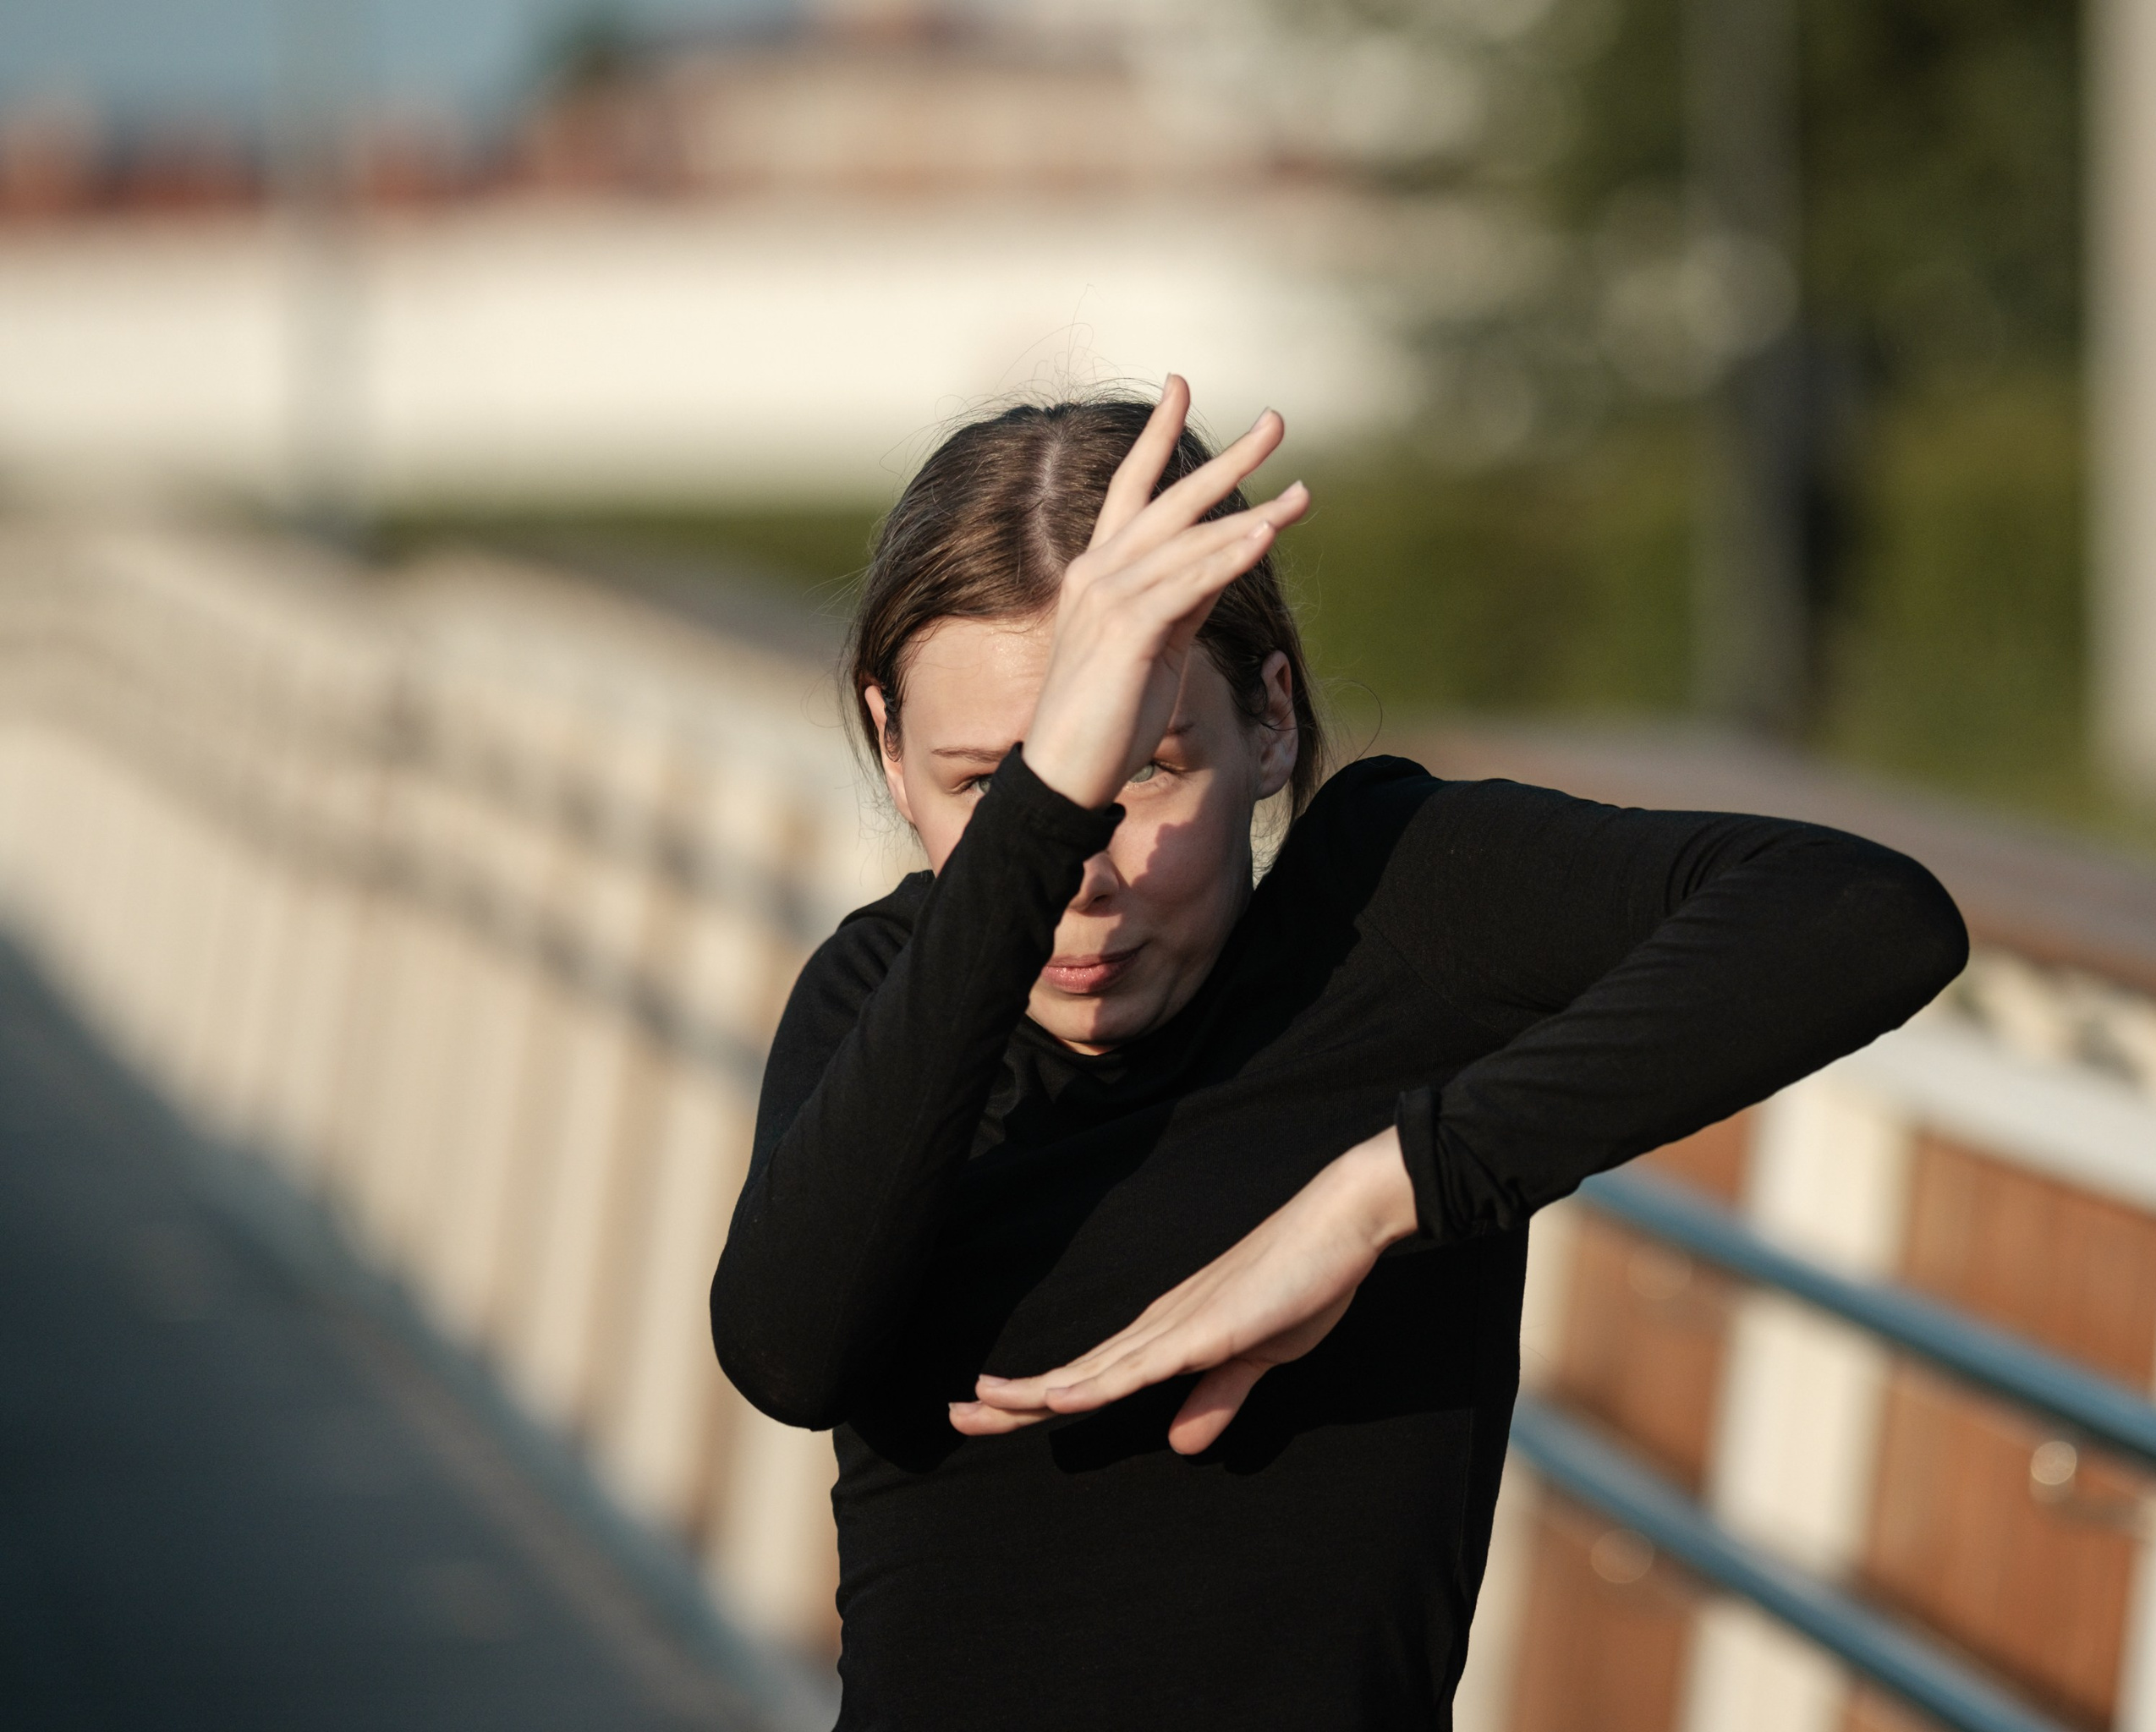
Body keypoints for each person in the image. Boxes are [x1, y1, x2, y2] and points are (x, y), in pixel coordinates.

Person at [710, 379, 1967, 1731]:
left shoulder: (1395, 912)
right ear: (889, 755)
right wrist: (1052, 791)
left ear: (1271, 720)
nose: (1084, 876)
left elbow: (1865, 914)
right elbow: (788, 1355)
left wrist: (1386, 1194)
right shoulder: (881, 991)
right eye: (989, 786)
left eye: (1143, 769)